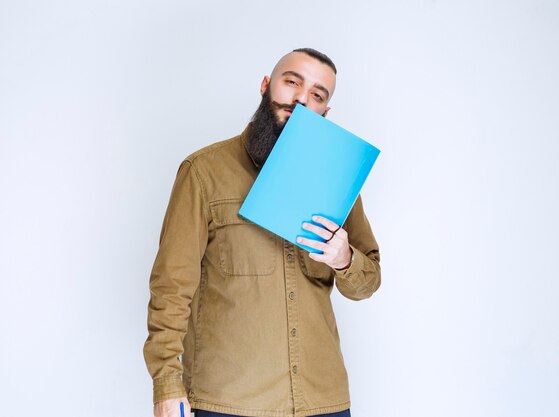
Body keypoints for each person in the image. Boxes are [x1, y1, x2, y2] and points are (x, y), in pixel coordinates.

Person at [144, 48, 381, 417]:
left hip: (322, 400)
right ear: (266, 85)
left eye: (317, 95)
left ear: (325, 112)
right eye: (292, 82)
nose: (302, 99)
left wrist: (344, 259)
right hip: (230, 401)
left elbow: (368, 282)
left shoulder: (339, 180)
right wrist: (166, 383)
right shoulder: (203, 172)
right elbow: (171, 288)